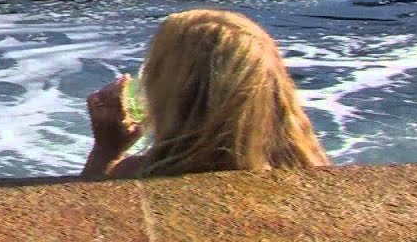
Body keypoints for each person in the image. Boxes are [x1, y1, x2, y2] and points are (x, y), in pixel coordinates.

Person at [81, 9, 329, 180]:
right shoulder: (309, 164)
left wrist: (106, 152)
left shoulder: (140, 172)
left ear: (176, 95)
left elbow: (92, 220)